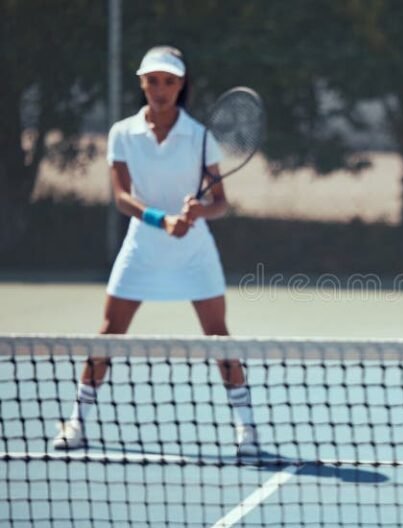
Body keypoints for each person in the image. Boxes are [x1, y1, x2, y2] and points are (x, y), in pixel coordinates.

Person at [52, 46, 258, 456]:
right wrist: (160, 220)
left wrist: (200, 211)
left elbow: (221, 202)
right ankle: (77, 423)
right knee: (109, 332)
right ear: (142, 83)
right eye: (153, 80)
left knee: (218, 337)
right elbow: (122, 197)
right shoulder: (122, 133)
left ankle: (247, 431)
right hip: (142, 250)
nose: (160, 89)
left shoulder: (201, 138)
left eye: (169, 81)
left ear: (181, 86)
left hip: (195, 254)